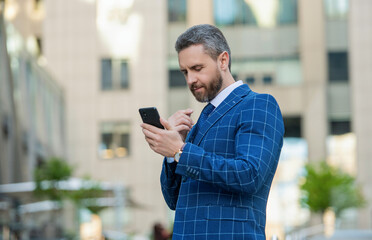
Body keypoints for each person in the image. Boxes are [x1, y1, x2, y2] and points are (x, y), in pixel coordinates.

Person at [141, 24, 284, 240]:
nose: (190, 80)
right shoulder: (199, 123)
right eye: (184, 72)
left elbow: (249, 175)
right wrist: (172, 155)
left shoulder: (258, 105)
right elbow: (174, 200)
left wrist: (180, 151)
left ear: (223, 60)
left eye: (197, 68)